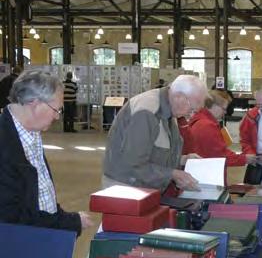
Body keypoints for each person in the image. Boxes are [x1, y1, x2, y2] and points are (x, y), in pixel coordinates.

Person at [0, 70, 93, 235]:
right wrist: (68, 223)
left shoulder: (31, 132)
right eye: (56, 110)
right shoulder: (5, 142)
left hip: (37, 236)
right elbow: (10, 215)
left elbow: (41, 194)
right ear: (35, 104)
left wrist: (62, 217)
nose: (57, 117)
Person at [102, 75, 209, 192]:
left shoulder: (170, 109)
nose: (191, 115)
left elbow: (154, 154)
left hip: (143, 187)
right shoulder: (147, 112)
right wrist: (173, 174)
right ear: (179, 96)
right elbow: (134, 164)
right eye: (192, 109)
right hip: (125, 189)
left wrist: (183, 160)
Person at [189, 89, 256, 183]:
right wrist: (245, 158)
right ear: (214, 106)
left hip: (201, 175)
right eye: (224, 109)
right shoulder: (207, 126)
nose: (225, 112)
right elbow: (221, 156)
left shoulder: (198, 121)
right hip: (208, 179)